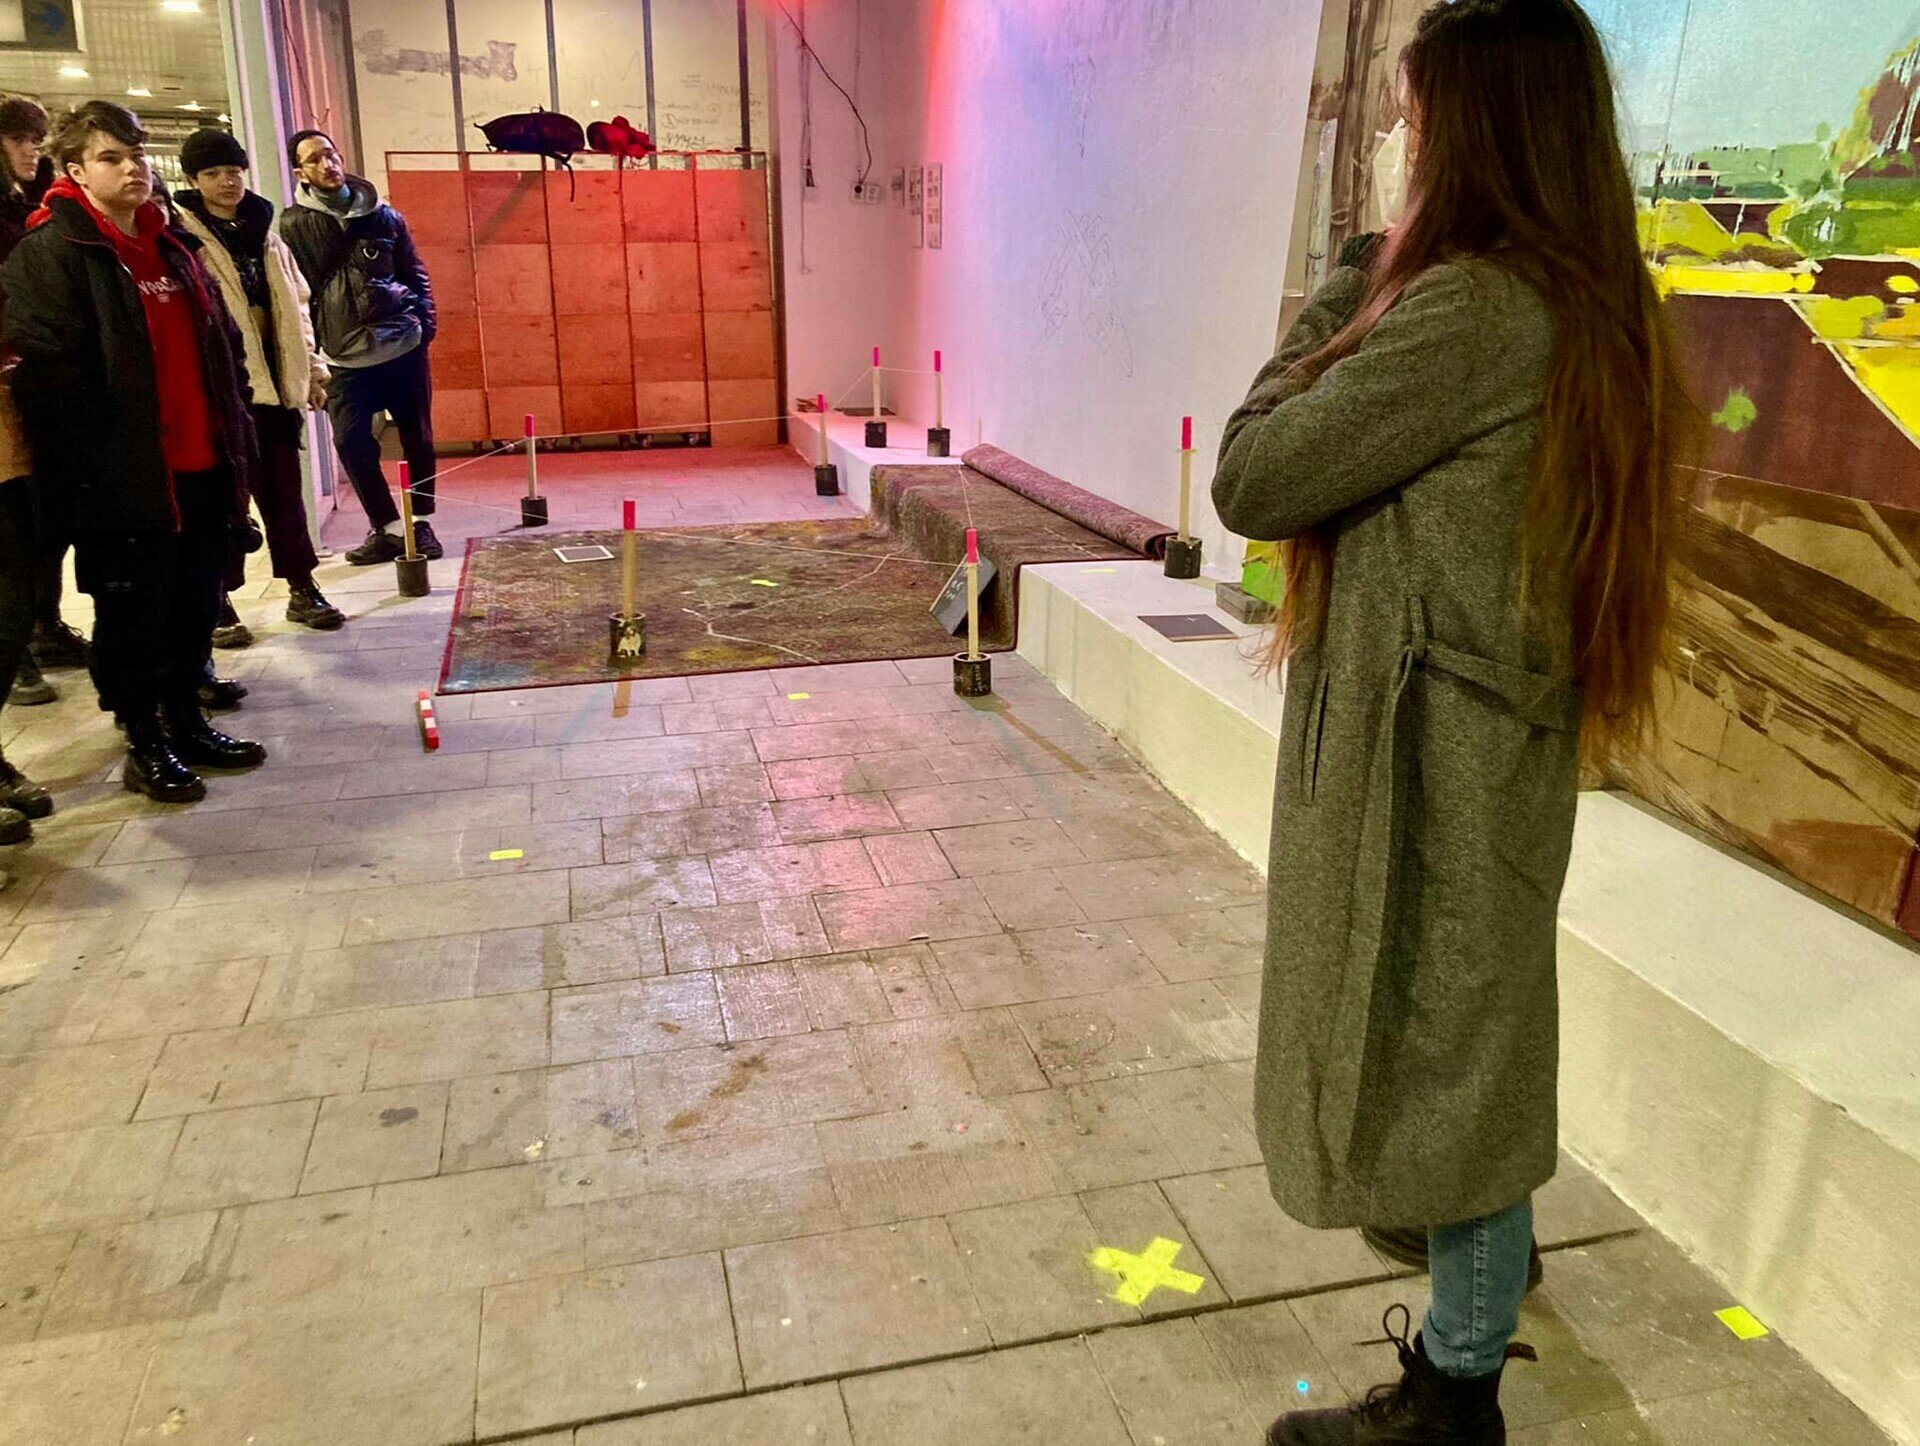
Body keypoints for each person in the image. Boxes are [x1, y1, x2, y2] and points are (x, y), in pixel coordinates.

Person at [1211, 2, 1687, 1441]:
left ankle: (1455, 1392)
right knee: (1470, 1030)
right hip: (1489, 739)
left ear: (1479, 133)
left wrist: (1346, 279)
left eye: (1415, 122)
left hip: (1439, 758)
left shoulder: (1471, 311)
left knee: (1459, 1057)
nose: (1398, 145)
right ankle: (1478, 1246)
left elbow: (1256, 472)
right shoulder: (1583, 295)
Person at [2, 102, 269, 803]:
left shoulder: (172, 245)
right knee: (133, 617)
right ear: (75, 170)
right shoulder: (52, 252)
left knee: (195, 601)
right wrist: (93, 473)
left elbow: (224, 347)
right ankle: (143, 739)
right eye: (111, 158)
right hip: (123, 478)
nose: (132, 169)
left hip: (202, 463)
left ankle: (186, 721)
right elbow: (49, 381)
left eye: (137, 155)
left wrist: (237, 427)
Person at [174, 127, 345, 633]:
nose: (227, 182)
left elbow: (298, 307)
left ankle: (302, 586)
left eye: (233, 171)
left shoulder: (266, 236)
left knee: (285, 495)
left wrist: (313, 372)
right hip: (220, 393)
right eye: (213, 173)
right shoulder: (182, 239)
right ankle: (219, 597)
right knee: (223, 500)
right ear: (193, 180)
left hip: (275, 387)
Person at [278, 128, 441, 566]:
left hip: (402, 344)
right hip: (342, 356)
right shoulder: (293, 225)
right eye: (314, 159)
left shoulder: (385, 216)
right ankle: (389, 528)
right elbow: (296, 294)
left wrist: (425, 325)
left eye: (330, 154)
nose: (326, 164)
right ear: (300, 172)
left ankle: (421, 523)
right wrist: (309, 357)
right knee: (351, 442)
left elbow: (413, 271)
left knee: (418, 438)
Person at [0, 95, 54, 838]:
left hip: (15, 420)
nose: (30, 149)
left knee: (16, 585)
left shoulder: (26, 211)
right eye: (19, 138)